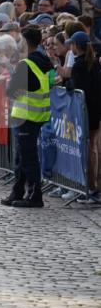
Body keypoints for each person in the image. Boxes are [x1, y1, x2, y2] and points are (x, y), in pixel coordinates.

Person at [1, 25, 55, 209]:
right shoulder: (44, 60)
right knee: (23, 157)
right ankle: (17, 192)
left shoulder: (26, 64)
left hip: (26, 115)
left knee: (27, 158)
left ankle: (34, 196)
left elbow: (11, 90)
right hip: (38, 115)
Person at [67, 31, 101, 203]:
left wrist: (68, 84)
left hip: (87, 112)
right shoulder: (93, 62)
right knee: (93, 147)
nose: (70, 47)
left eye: (71, 44)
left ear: (76, 46)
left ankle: (91, 187)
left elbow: (79, 87)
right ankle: (93, 187)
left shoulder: (80, 65)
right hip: (95, 110)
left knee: (89, 149)